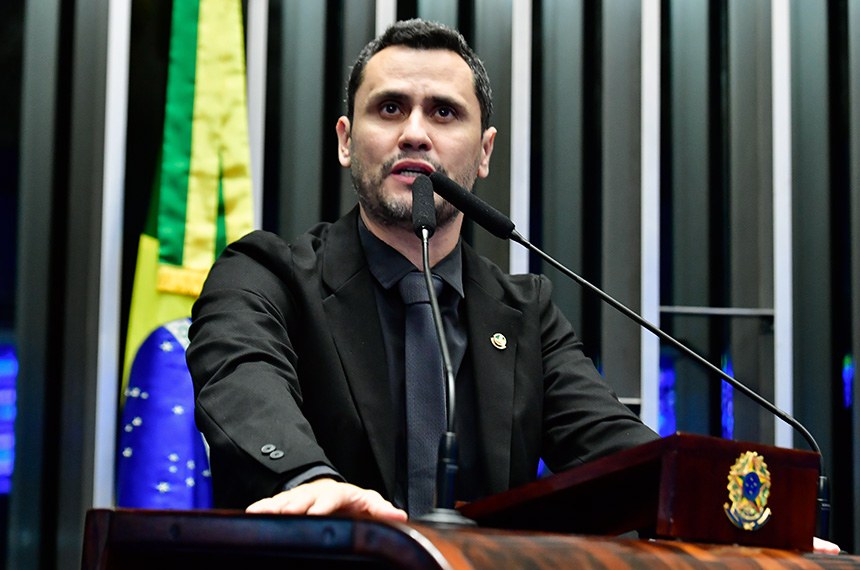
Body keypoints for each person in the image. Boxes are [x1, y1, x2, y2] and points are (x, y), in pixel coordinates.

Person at [186, 18, 659, 522]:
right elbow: (242, 380)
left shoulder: (526, 314)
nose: (414, 134)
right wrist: (309, 481)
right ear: (346, 140)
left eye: (444, 112)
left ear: (484, 152)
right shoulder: (265, 274)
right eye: (390, 108)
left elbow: (617, 452)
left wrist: (696, 486)